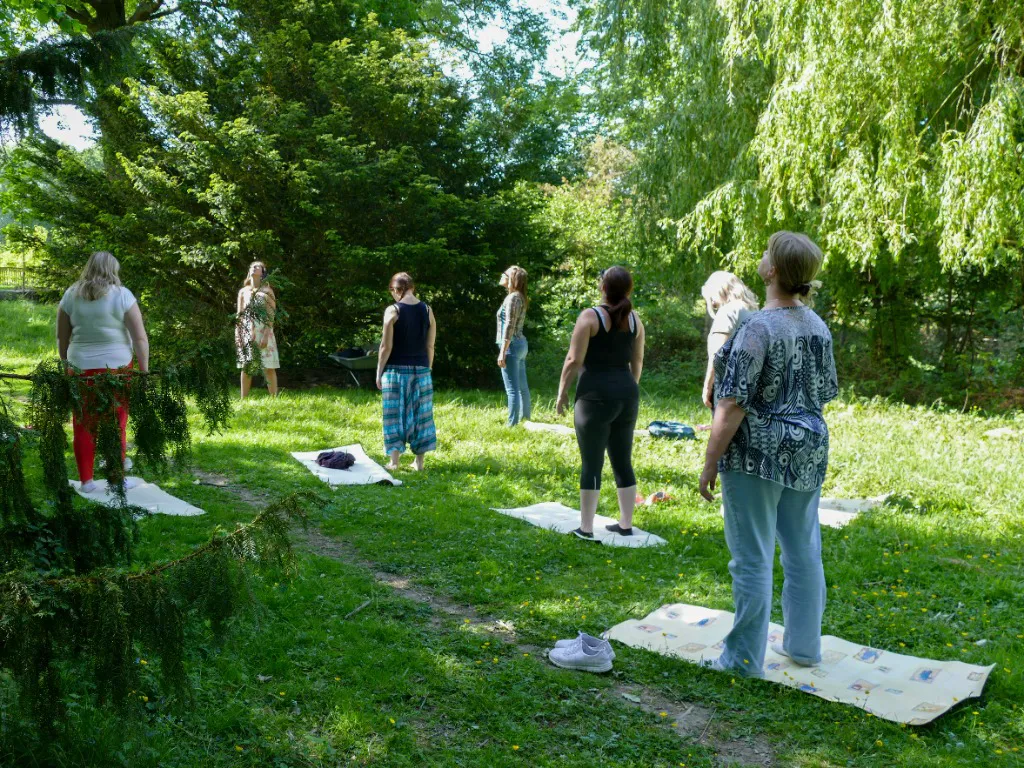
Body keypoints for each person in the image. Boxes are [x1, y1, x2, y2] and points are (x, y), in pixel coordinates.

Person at [698, 231, 838, 677]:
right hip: (809, 449)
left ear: (773, 270)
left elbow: (731, 402)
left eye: (765, 253)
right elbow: (825, 391)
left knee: (752, 556)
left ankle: (741, 662)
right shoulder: (817, 325)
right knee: (803, 551)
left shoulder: (757, 326)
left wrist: (710, 460)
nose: (759, 258)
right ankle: (804, 648)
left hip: (758, 453)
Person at [556, 266, 645, 540]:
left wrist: (561, 393)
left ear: (602, 287)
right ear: (628, 290)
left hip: (594, 396)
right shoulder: (636, 321)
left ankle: (586, 528)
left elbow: (574, 360)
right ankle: (626, 525)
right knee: (622, 460)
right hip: (627, 394)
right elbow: (637, 361)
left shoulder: (590, 317)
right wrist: (627, 388)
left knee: (592, 462)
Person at [56, 251, 150, 493]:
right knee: (116, 423)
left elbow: (62, 337)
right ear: (112, 270)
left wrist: (67, 364)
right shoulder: (122, 295)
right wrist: (144, 370)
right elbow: (139, 337)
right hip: (117, 367)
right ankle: (116, 478)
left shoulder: (70, 295)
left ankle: (86, 481)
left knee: (83, 423)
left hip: (80, 367)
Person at [376, 272, 437, 471]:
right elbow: (430, 346)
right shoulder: (428, 310)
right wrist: (427, 369)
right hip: (421, 370)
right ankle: (419, 463)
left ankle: (394, 462)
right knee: (422, 415)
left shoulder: (392, 310)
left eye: (392, 291)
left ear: (397, 290)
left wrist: (378, 372)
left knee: (393, 415)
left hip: (395, 371)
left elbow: (386, 347)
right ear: (412, 287)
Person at [700, 271, 759, 409]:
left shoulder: (728, 310)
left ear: (720, 290)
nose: (713, 303)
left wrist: (707, 387)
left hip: (728, 389)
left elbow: (718, 354)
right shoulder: (755, 312)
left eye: (712, 298)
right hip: (752, 387)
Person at [236, 261, 279, 399]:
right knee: (246, 367)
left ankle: (274, 399)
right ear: (249, 271)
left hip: (264, 332)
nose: (255, 267)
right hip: (247, 332)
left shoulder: (267, 291)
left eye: (258, 266)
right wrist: (238, 334)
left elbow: (271, 315)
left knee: (268, 367)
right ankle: (243, 400)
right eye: (252, 266)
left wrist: (266, 335)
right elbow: (239, 314)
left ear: (263, 272)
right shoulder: (243, 292)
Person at [496, 265, 530, 426]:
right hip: (520, 344)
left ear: (512, 279)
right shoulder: (519, 296)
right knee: (522, 386)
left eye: (506, 274)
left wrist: (502, 351)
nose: (502, 275)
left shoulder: (513, 298)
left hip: (513, 345)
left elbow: (509, 325)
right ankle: (526, 420)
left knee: (512, 389)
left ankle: (512, 424)